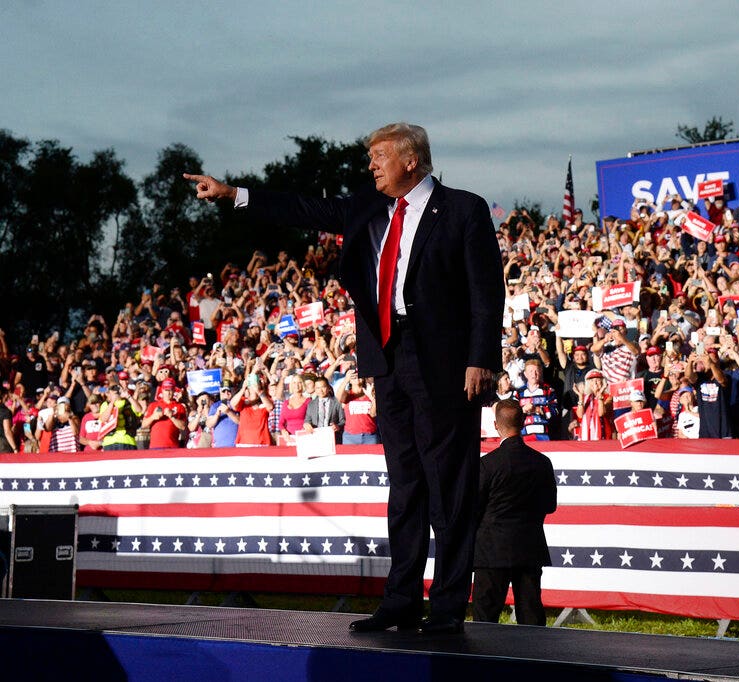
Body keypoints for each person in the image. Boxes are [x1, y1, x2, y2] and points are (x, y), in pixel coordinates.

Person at [185, 122, 504, 635]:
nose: (371, 165)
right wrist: (233, 194)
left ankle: (446, 609)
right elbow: (305, 208)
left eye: (379, 156)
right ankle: (400, 601)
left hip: (445, 365)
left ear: (411, 161)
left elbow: (487, 291)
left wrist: (480, 359)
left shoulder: (464, 209)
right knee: (405, 485)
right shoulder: (368, 206)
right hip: (388, 360)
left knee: (450, 485)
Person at [472, 399, 557, 626]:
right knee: (531, 619)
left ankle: (482, 662)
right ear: (523, 422)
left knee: (485, 620)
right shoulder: (542, 462)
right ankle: (533, 661)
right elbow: (550, 505)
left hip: (491, 550)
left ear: (496, 426)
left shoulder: (488, 464)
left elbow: (474, 508)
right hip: (529, 547)